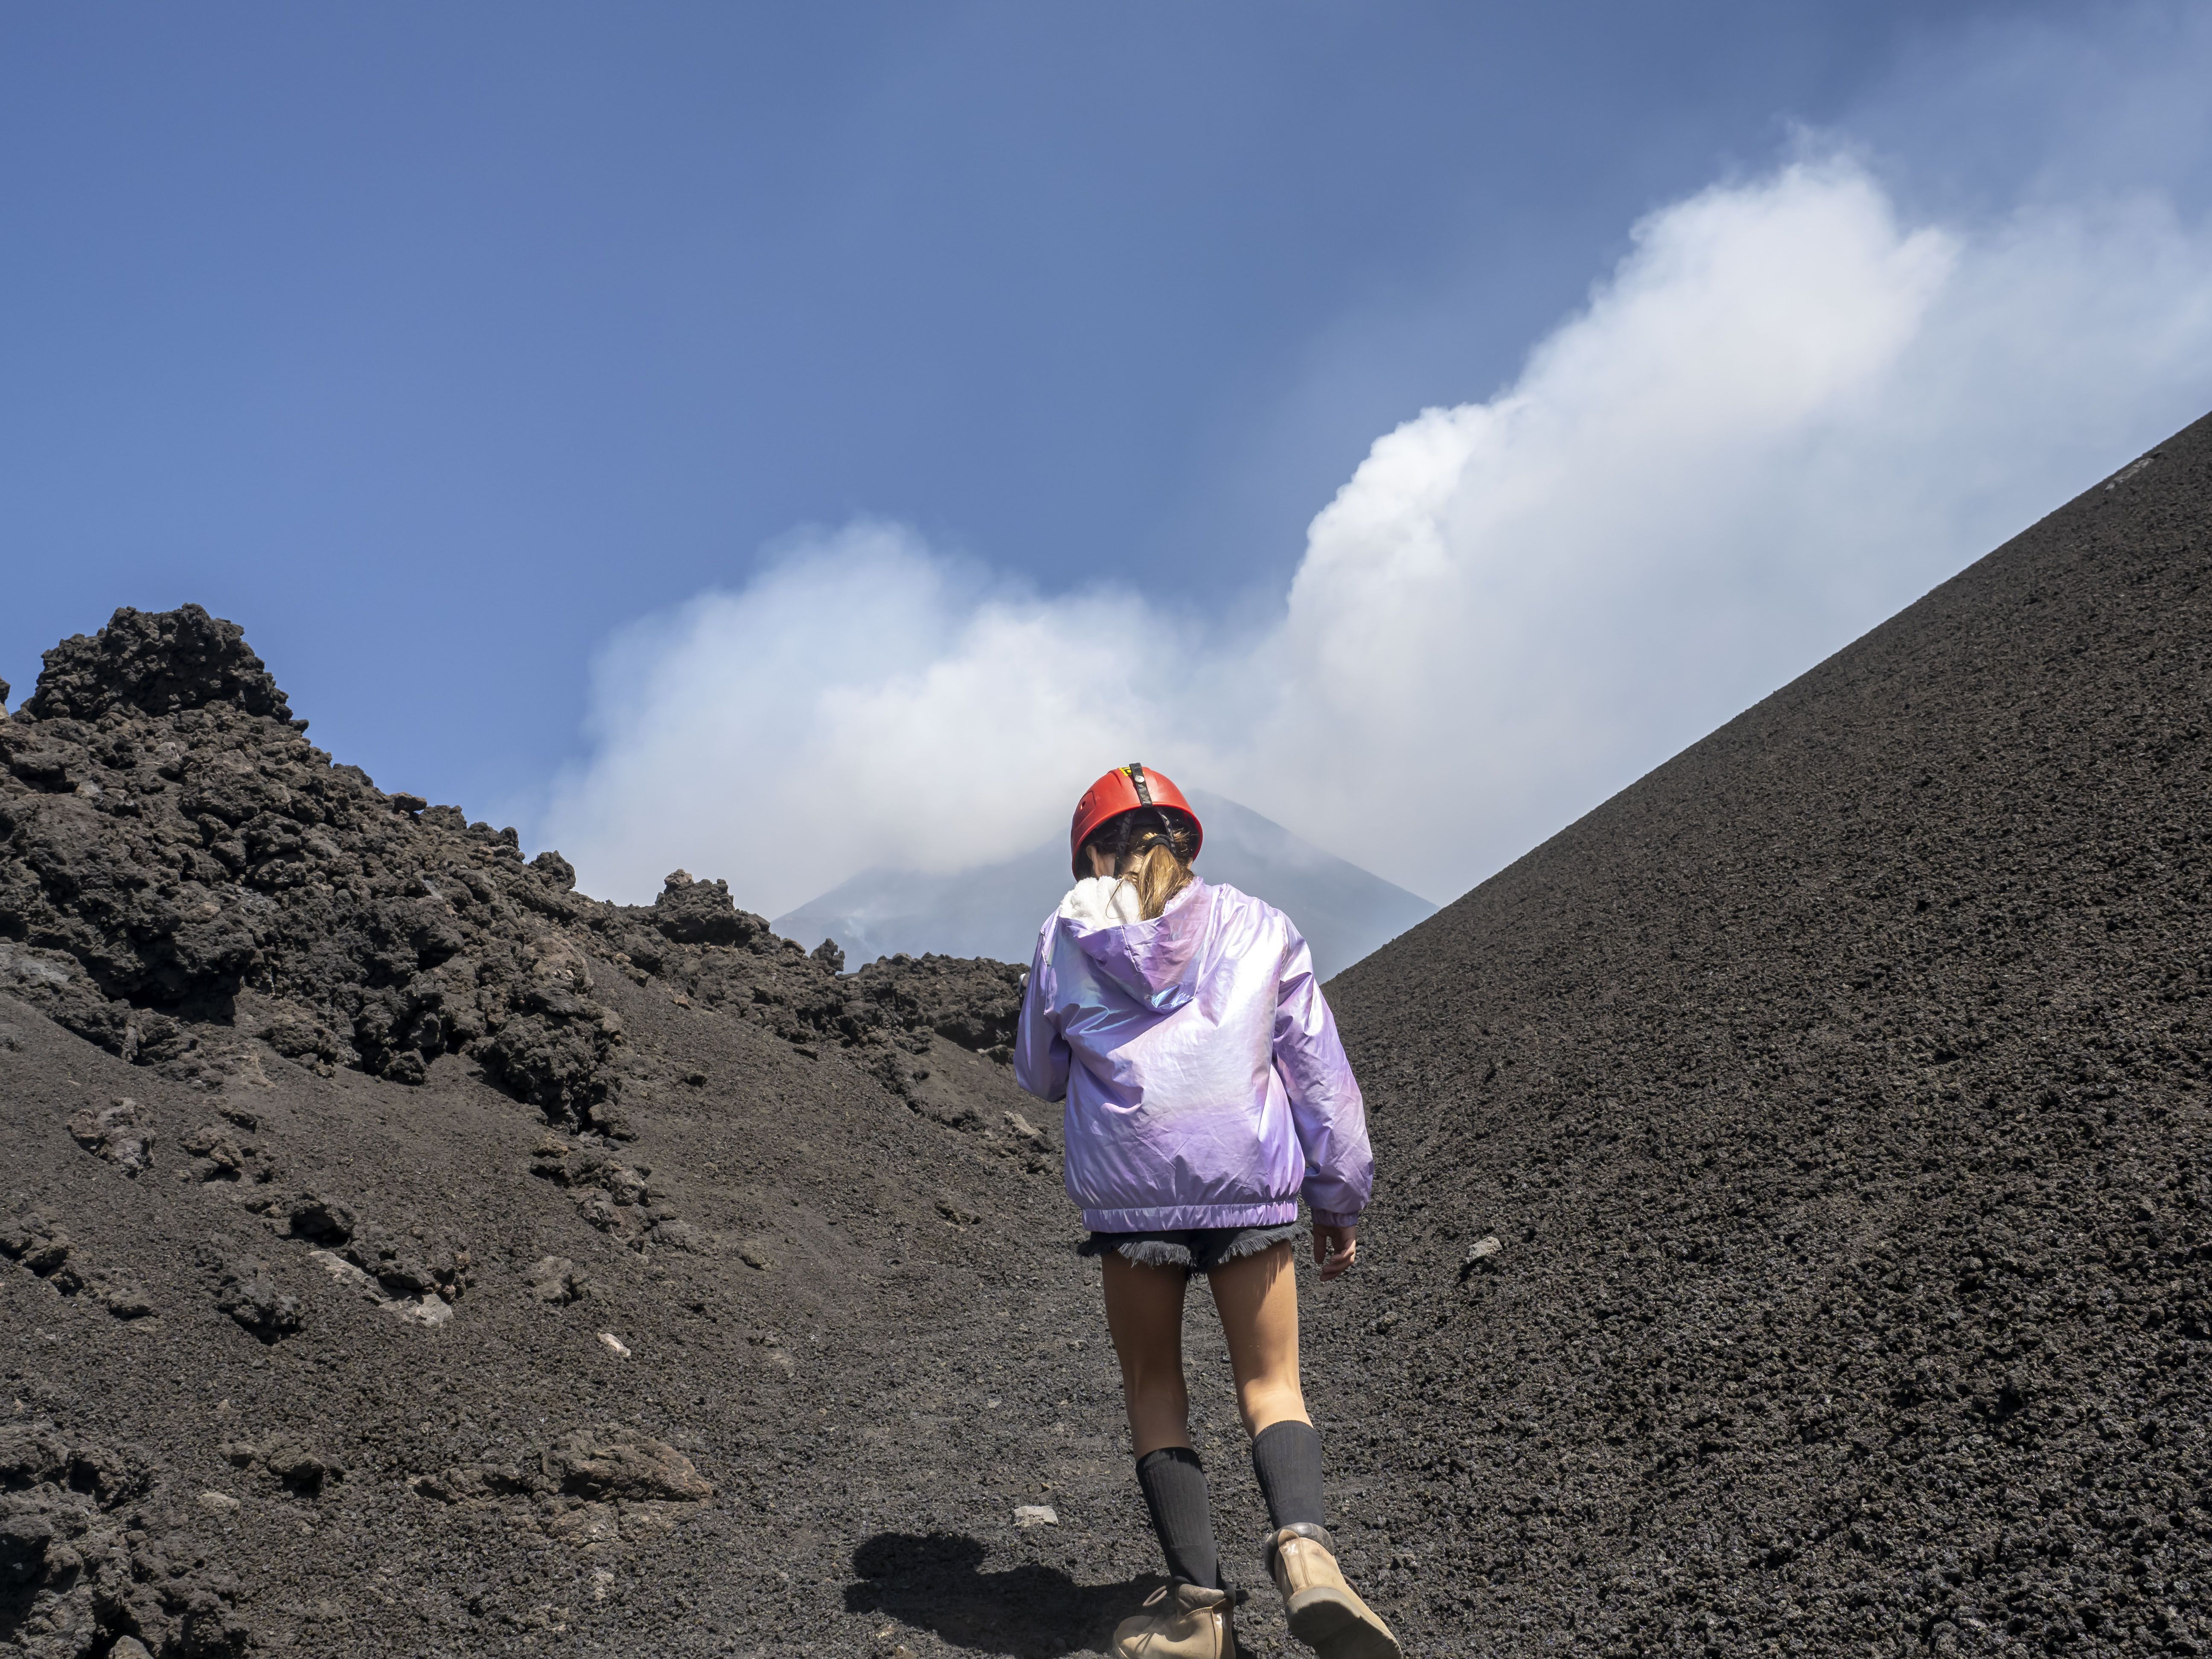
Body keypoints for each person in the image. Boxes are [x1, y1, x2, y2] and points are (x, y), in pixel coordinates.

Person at [1016, 763, 1400, 1659]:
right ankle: (1307, 1559)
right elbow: (1319, 1077)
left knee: (1155, 1391)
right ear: (1187, 841)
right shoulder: (1262, 925)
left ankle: (1199, 1616)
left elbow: (1038, 1072)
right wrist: (1338, 1196)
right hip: (1247, 1187)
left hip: (1130, 1202)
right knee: (1273, 1386)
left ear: (1091, 856)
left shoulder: (1064, 936)